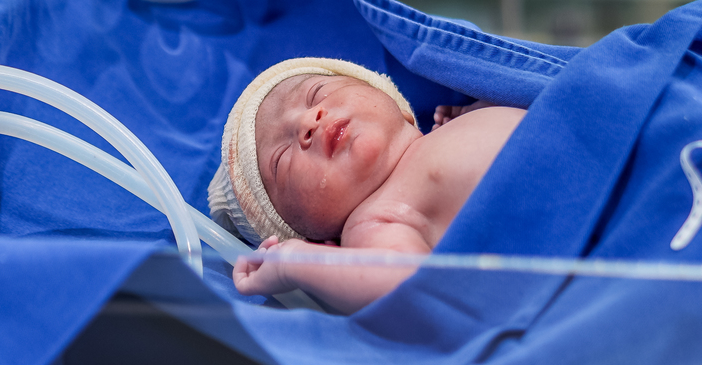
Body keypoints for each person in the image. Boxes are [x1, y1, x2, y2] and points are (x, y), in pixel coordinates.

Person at [209, 58, 524, 314]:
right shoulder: (373, 222)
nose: (307, 121)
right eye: (280, 160)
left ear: (397, 105)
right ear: (315, 238)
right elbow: (402, 284)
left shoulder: (449, 129)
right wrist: (297, 263)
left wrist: (479, 109)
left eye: (316, 93)